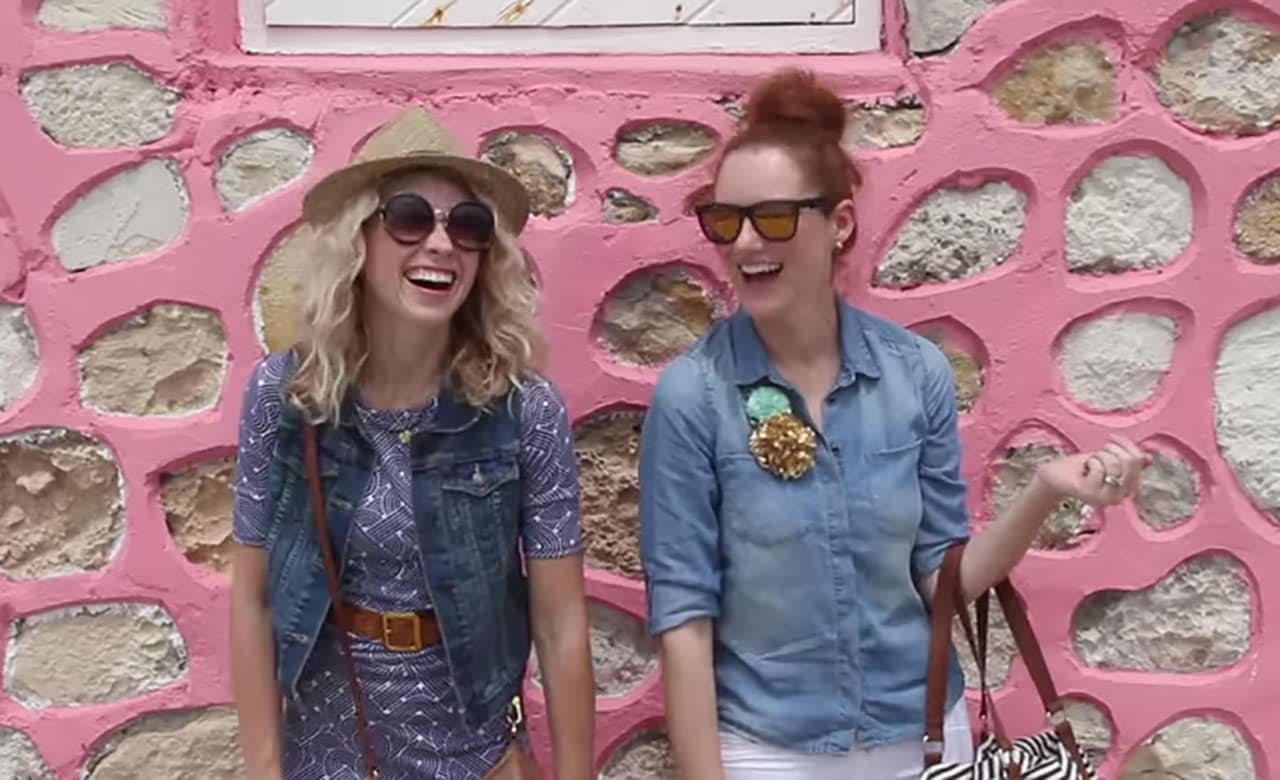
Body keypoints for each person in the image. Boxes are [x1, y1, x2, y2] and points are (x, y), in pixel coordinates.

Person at [638, 69, 1149, 780]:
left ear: (839, 223)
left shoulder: (915, 375)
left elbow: (942, 582)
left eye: (774, 217)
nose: (746, 242)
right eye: (725, 220)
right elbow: (685, 621)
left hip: (925, 746)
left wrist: (1044, 491)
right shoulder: (693, 396)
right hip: (768, 754)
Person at [228, 107, 595, 780]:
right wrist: (262, 768)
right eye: (408, 218)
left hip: (473, 754)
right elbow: (252, 600)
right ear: (357, 241)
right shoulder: (288, 398)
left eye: (468, 227)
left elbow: (562, 621)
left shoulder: (523, 410)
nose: (441, 243)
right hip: (330, 753)